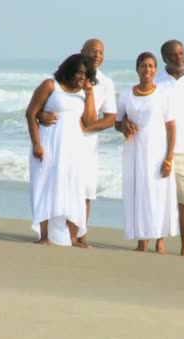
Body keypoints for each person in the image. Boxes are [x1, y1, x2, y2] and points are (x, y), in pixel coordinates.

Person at [122, 40, 184, 256]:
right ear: (164, 58)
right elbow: (137, 107)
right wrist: (125, 123)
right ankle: (150, 243)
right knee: (155, 197)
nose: (179, 57)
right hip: (156, 151)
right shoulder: (157, 80)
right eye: (173, 54)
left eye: (181, 52)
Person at [38, 39, 117, 247]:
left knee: (85, 189)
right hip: (60, 139)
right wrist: (40, 117)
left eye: (100, 52)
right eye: (92, 51)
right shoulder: (72, 75)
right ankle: (51, 234)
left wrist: (88, 128)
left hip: (88, 144)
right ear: (82, 52)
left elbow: (110, 118)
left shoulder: (106, 82)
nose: (96, 55)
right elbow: (51, 104)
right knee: (57, 183)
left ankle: (79, 235)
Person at [26, 53, 97, 247]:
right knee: (44, 185)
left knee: (73, 187)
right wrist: (37, 144)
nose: (82, 77)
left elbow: (90, 121)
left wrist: (90, 93)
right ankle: (43, 236)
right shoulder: (50, 86)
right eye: (79, 73)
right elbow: (30, 114)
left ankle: (73, 238)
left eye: (86, 74)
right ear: (69, 70)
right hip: (48, 143)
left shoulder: (84, 93)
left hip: (73, 147)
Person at [115, 52, 178, 254]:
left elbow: (171, 128)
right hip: (134, 151)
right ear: (137, 69)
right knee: (138, 192)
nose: (147, 70)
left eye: (151, 66)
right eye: (143, 66)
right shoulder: (125, 94)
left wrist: (169, 157)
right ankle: (142, 241)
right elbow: (116, 122)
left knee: (159, 193)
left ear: (156, 70)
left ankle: (159, 240)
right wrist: (124, 124)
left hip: (158, 151)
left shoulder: (163, 94)